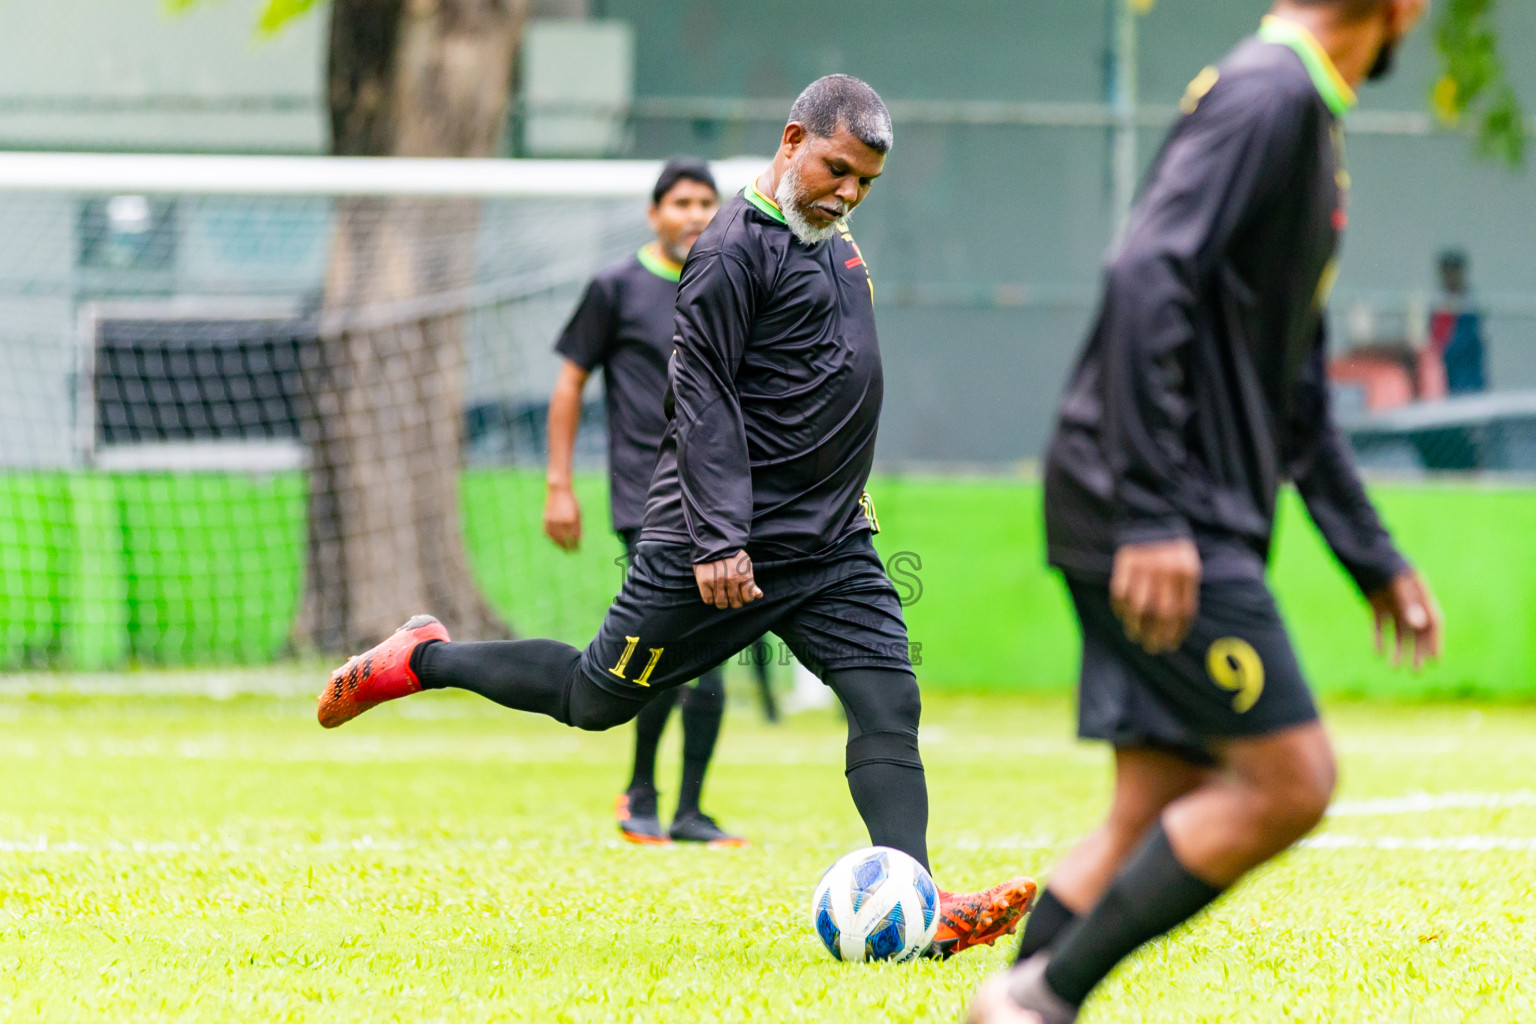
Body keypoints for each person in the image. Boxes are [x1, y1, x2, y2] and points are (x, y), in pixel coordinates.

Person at [318, 74, 1036, 958]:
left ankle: (918, 908)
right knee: (593, 699)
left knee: (887, 696)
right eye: (837, 170)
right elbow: (700, 397)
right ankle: (420, 659)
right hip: (719, 541)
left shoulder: (833, 241)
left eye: (865, 184)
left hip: (830, 543)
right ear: (792, 140)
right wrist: (720, 536)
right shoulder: (732, 249)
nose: (848, 193)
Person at [968, 2, 1443, 1020]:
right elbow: (1145, 271)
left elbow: (1298, 384)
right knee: (1291, 781)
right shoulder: (1268, 96)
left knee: (1152, 805)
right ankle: (1040, 997)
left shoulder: (1303, 112)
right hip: (1155, 504)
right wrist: (1150, 513)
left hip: (1160, 499)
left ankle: (1015, 1004)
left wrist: (1374, 556)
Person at [544, 157, 750, 847]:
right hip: (648, 501)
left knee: (707, 660)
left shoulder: (729, 281)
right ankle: (642, 793)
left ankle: (689, 811)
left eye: (706, 204)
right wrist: (559, 485)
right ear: (654, 213)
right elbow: (570, 382)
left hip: (719, 500)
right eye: (682, 203)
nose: (695, 215)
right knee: (665, 654)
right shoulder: (616, 288)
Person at [1430, 248, 1488, 395]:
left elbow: (1462, 345)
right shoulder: (1437, 306)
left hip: (1466, 382)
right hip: (1441, 381)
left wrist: (1437, 353)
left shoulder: (1469, 307)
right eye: (1447, 272)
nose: (1450, 278)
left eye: (1454, 272)